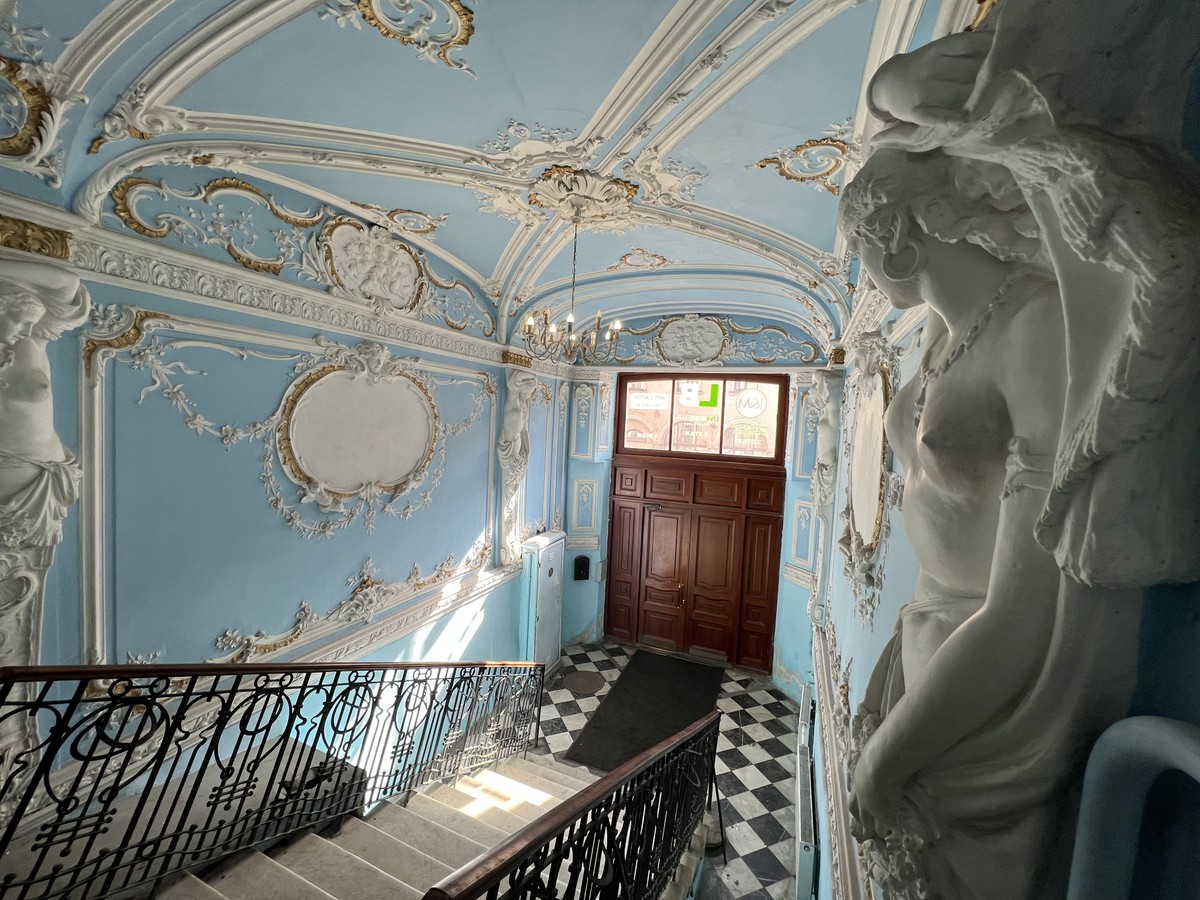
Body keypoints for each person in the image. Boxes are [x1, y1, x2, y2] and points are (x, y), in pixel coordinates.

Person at [838, 149, 1141, 898]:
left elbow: (1025, 609)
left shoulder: (1037, 327)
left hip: (990, 681)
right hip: (925, 636)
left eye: (860, 248)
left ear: (898, 237)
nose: (865, 274)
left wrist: (889, 755)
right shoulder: (943, 334)